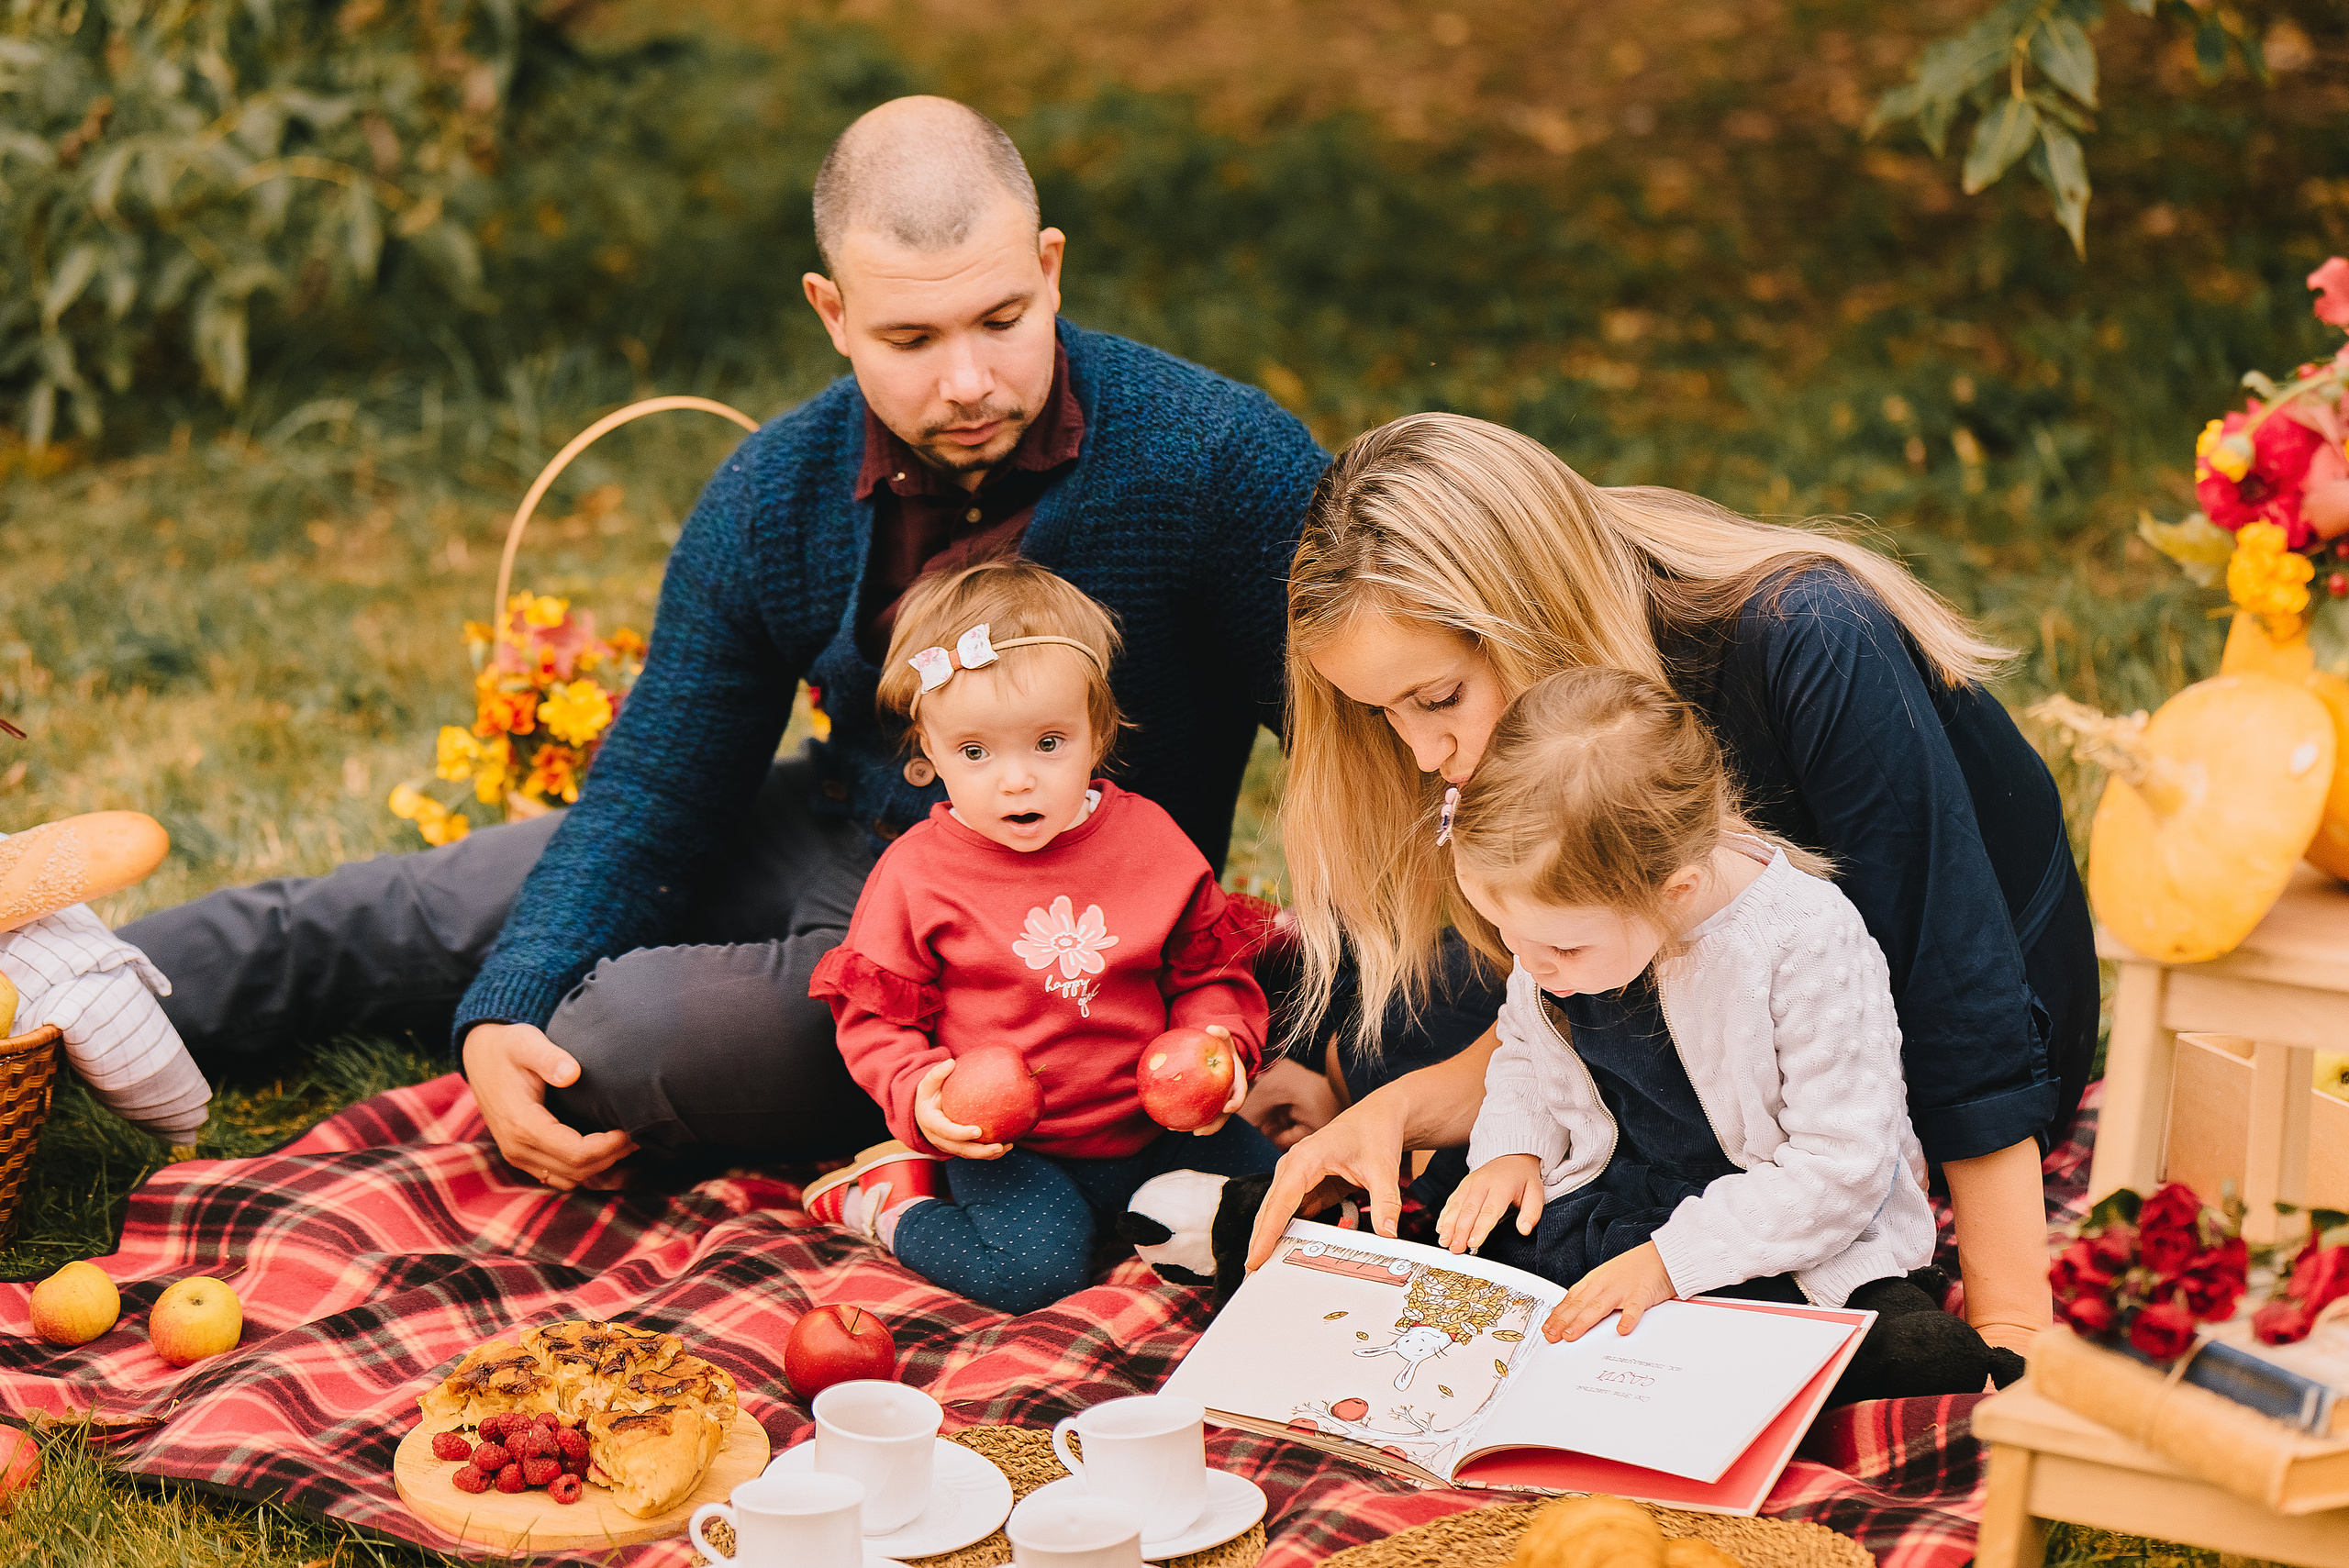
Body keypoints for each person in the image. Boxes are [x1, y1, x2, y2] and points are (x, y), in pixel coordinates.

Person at [119, 95, 1352, 1188]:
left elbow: (1354, 754)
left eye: (1001, 318)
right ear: (832, 312)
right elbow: (659, 783)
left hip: (1036, 952)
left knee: (616, 1043)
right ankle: (70, 997)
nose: (969, 379)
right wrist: (503, 1008)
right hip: (832, 830)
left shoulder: (1215, 459)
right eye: (911, 341)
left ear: (1051, 265)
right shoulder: (775, 491)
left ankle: (657, 1019)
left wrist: (1354, 1038)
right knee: (432, 903)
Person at [1249, 414, 2096, 1357]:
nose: (1421, 751)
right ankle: (1332, 1085)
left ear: (1529, 609)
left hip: (1915, 1035)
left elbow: (1956, 990)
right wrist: (1395, 1109)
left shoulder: (1807, 638)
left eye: (1440, 699)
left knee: (1451, 1054)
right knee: (1406, 1041)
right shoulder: (1554, 752)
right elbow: (1560, 998)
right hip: (1683, 1015)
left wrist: (2011, 1321)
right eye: (1384, 714)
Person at [1432, 668, 2015, 1400]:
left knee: (1868, 1333)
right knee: (1471, 1241)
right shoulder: (1557, 939)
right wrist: (1512, 1149)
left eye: (1563, 950)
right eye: (1508, 935)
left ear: (1672, 890)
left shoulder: (1803, 942)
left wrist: (1667, 1263)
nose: (1531, 964)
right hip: (1622, 1190)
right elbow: (1525, 1047)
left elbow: (1840, 1166)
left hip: (1774, 1223)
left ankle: (1862, 1341)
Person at [803, 559, 1277, 1313]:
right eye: (976, 752)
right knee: (1035, 1274)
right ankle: (889, 1204)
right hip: (1014, 1149)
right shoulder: (918, 874)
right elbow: (878, 1018)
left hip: (1158, 1126)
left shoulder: (1151, 842)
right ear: (927, 753)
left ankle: (1161, 1219)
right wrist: (919, 1094)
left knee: (1286, 1207)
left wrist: (1222, 1047)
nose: (1015, 780)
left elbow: (1208, 971)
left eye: (1048, 743)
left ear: (1100, 734)